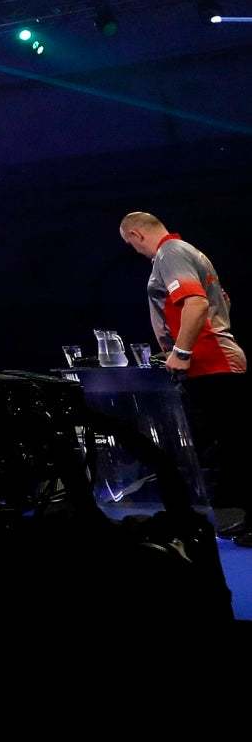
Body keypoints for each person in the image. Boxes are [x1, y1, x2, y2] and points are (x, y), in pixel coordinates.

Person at [119, 212, 248, 540]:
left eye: (129, 243)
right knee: (228, 444)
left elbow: (195, 304)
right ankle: (237, 517)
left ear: (135, 234)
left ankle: (237, 516)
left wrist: (183, 352)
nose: (133, 250)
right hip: (211, 360)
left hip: (212, 362)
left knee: (226, 446)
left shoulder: (171, 252)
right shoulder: (187, 251)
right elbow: (222, 303)